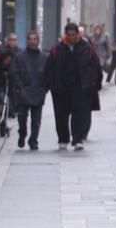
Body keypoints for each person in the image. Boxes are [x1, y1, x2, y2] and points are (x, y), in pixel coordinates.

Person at [43, 22, 101, 151]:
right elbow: (50, 68)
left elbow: (95, 67)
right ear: (65, 35)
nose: (71, 37)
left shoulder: (86, 48)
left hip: (80, 87)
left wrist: (93, 83)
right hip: (61, 87)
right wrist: (50, 85)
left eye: (73, 34)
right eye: (69, 35)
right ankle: (63, 139)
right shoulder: (57, 49)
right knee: (61, 115)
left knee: (79, 113)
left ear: (78, 34)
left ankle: (78, 139)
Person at [10, 30, 48, 149]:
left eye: (35, 39)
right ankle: (22, 133)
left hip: (38, 92)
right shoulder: (19, 57)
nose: (32, 42)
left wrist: (44, 89)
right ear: (27, 41)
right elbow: (13, 73)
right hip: (23, 92)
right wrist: (20, 87)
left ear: (38, 41)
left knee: (36, 120)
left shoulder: (44, 57)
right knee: (22, 118)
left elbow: (49, 74)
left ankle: (33, 140)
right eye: (30, 39)